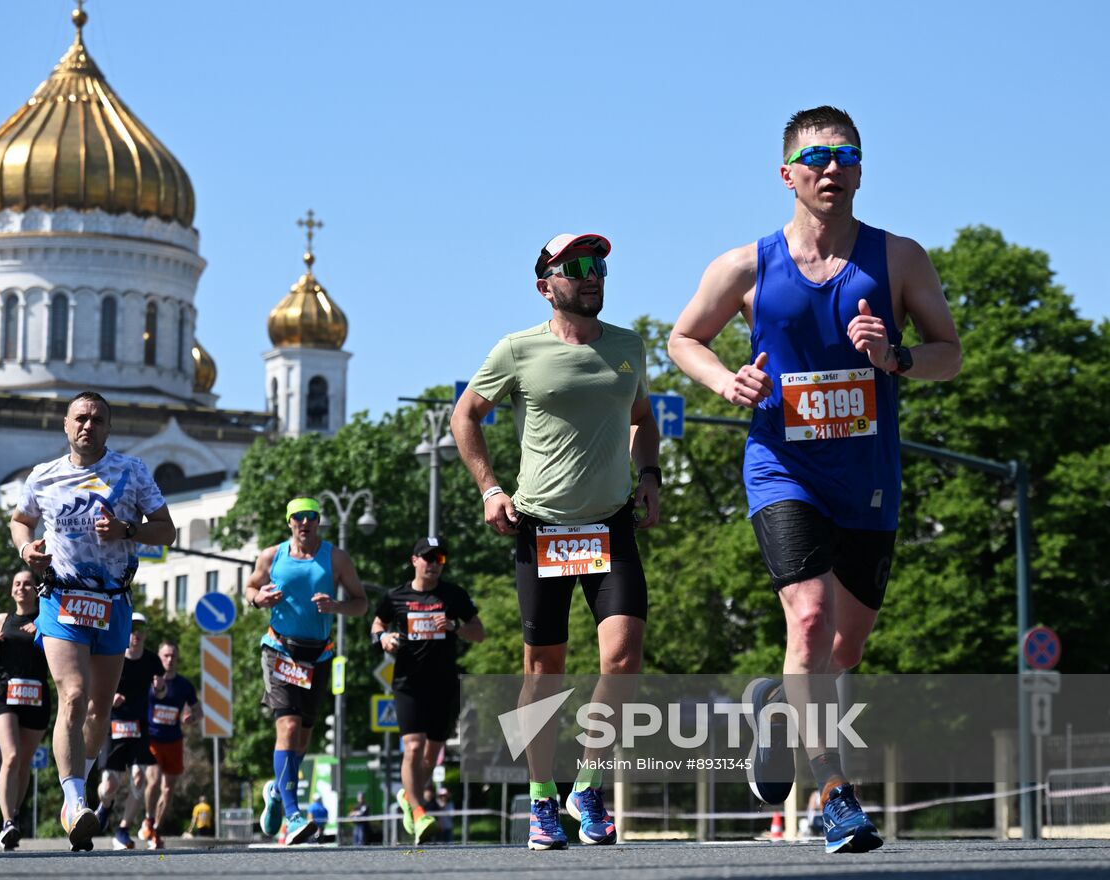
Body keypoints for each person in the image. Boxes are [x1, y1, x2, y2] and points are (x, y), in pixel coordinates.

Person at [668, 105, 962, 855]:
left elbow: (948, 353)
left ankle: (776, 711)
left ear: (861, 169)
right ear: (788, 173)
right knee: (808, 621)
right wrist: (724, 382)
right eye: (818, 156)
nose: (832, 168)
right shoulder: (745, 265)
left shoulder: (900, 259)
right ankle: (833, 790)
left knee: (846, 650)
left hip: (865, 478)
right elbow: (683, 338)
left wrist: (895, 354)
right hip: (782, 467)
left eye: (847, 155)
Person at [452, 232, 661, 850]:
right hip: (542, 527)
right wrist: (491, 488)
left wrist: (649, 477)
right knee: (544, 674)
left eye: (598, 265)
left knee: (623, 660)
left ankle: (588, 785)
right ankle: (542, 797)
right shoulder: (517, 350)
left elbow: (643, 421)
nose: (591, 274)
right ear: (546, 284)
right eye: (576, 266)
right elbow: (465, 415)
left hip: (610, 524)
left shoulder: (628, 347)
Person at [10, 390, 175, 852]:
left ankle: (79, 786)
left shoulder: (132, 472)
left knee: (100, 708)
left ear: (108, 427)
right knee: (74, 695)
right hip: (62, 599)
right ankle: (74, 800)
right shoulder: (44, 476)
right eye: (80, 418)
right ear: (66, 425)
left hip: (112, 602)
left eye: (97, 419)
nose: (88, 425)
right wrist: (27, 549)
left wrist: (129, 530)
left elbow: (168, 530)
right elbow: (20, 521)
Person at [245, 495, 369, 846]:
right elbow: (250, 588)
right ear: (289, 522)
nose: (304, 522)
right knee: (287, 725)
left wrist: (336, 606)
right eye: (297, 517)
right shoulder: (273, 556)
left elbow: (361, 604)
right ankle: (293, 814)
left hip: (319, 656)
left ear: (318, 521)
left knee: (302, 739)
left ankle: (275, 792)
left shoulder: (336, 558)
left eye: (310, 516)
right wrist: (259, 599)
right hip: (280, 650)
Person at [371, 536, 483, 844]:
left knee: (431, 755)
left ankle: (408, 797)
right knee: (414, 747)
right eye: (428, 557)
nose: (434, 564)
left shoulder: (454, 595)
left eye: (440, 559)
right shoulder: (396, 597)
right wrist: (383, 640)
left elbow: (480, 633)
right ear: (414, 561)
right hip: (408, 683)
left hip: (444, 684)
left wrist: (455, 627)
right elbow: (377, 624)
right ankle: (419, 810)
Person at [0, 567, 51, 850]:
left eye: (27, 584)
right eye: (17, 584)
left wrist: (44, 630)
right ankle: (8, 821)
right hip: (5, 693)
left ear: (36, 589)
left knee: (24, 761)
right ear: (12, 590)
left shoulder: (48, 616)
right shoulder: (3, 619)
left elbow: (61, 653)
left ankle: (15, 815)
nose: (22, 587)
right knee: (10, 756)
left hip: (36, 695)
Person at [96, 611, 165, 850]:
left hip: (139, 727)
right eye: (132, 628)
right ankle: (104, 806)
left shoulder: (152, 661)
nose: (136, 634)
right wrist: (110, 697)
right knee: (109, 786)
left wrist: (160, 688)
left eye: (140, 630)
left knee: (139, 778)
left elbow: (161, 693)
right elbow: (97, 689)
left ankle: (123, 829)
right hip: (114, 726)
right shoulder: (113, 657)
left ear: (145, 633)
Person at [144, 639, 201, 848]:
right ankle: (148, 819)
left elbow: (199, 711)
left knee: (168, 790)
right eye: (165, 655)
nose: (169, 659)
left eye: (173, 656)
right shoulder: (150, 681)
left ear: (177, 658)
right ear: (159, 657)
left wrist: (192, 718)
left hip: (174, 741)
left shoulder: (184, 685)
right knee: (154, 780)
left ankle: (156, 829)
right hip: (152, 739)